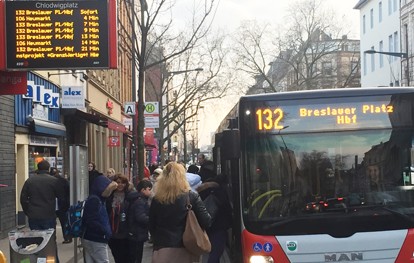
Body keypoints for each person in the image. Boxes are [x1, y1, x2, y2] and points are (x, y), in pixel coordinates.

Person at [149, 162, 212, 263]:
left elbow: (151, 224)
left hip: (163, 248)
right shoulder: (191, 197)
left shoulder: (157, 199)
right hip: (187, 248)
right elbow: (206, 221)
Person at [20, 160, 64, 262]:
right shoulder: (53, 181)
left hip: (34, 216)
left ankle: (39, 260)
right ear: (48, 169)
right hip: (48, 215)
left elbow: (23, 199)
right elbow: (61, 197)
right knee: (50, 241)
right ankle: (53, 260)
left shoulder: (29, 181)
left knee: (36, 241)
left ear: (38, 169)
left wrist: (28, 211)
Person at [197, 174, 232, 263]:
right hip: (219, 227)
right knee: (216, 252)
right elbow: (227, 209)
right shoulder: (220, 192)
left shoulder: (200, 191)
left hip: (205, 226)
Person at [82, 175, 118, 263]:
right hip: (96, 237)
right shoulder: (95, 200)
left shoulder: (97, 199)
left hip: (92, 237)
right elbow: (91, 220)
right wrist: (104, 231)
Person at [106, 174, 132, 263]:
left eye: (123, 183)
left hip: (125, 230)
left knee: (125, 255)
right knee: (116, 254)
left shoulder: (129, 196)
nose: (120, 185)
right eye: (118, 183)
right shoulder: (110, 196)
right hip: (113, 229)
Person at [126, 180, 153, 263]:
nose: (151, 191)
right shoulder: (140, 201)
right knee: (136, 257)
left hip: (135, 233)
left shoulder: (138, 199)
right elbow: (140, 217)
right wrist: (152, 220)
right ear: (143, 190)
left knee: (135, 256)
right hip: (137, 233)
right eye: (149, 189)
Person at [50, 167, 72, 244]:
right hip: (59, 205)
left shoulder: (62, 181)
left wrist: (67, 203)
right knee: (63, 222)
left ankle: (66, 237)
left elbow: (68, 193)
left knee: (62, 222)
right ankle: (66, 237)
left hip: (61, 205)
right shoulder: (62, 181)